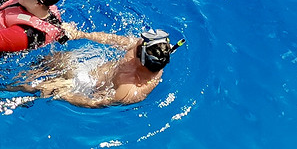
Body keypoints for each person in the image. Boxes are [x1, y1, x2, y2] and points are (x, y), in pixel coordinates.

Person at [20, 28, 180, 107]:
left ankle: (2, 91)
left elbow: (95, 103)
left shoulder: (129, 91)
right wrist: (81, 34)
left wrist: (66, 95)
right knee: (56, 58)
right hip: (92, 69)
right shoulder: (149, 50)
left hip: (86, 87)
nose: (138, 40)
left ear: (140, 57)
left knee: (38, 86)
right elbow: (112, 39)